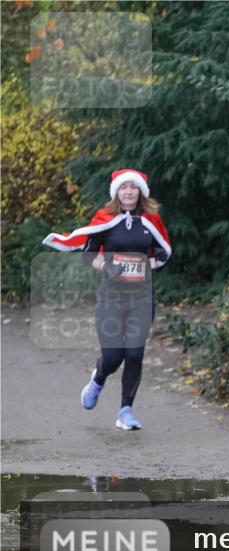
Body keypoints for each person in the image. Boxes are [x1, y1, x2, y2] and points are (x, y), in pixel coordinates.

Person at [42, 169, 171, 430]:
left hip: (142, 296)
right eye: (124, 188)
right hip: (111, 296)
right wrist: (107, 266)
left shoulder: (150, 220)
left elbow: (164, 251)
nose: (129, 192)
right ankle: (98, 379)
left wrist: (146, 264)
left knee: (134, 353)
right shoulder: (105, 219)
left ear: (140, 192)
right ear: (116, 192)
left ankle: (126, 411)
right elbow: (89, 254)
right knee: (113, 356)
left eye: (133, 188)